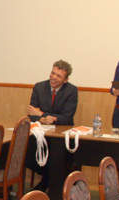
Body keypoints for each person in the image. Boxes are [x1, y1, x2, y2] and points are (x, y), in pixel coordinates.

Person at [26, 59, 78, 191]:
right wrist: (43, 119)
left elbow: (66, 117)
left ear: (65, 80)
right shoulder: (39, 87)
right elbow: (31, 113)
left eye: (59, 76)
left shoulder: (71, 90)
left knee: (58, 156)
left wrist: (42, 113)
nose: (53, 77)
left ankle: (47, 184)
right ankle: (48, 179)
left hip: (62, 135)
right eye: (53, 73)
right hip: (41, 132)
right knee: (27, 150)